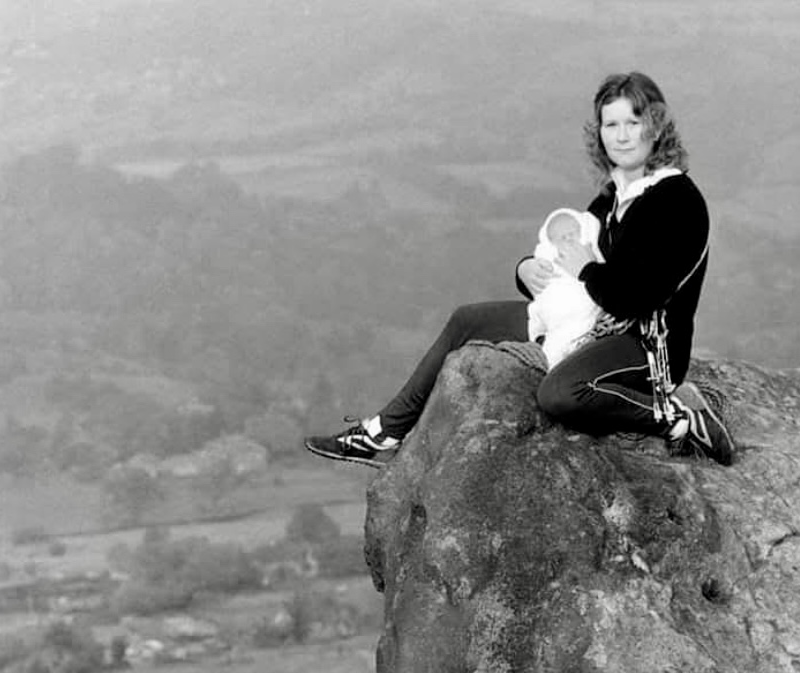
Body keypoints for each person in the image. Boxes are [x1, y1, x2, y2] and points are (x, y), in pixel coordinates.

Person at [304, 71, 734, 468]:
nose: (621, 136)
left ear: (656, 127)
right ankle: (384, 433)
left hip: (646, 347)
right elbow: (568, 262)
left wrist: (585, 268)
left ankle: (678, 417)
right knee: (469, 320)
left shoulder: (677, 201)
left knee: (560, 394)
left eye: (633, 123)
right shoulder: (616, 195)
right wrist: (527, 268)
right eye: (611, 125)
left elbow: (636, 296)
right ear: (599, 133)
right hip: (591, 323)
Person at [526, 207, 605, 367]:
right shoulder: (550, 260)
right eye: (562, 237)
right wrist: (524, 268)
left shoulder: (592, 250)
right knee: (553, 352)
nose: (569, 239)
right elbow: (541, 293)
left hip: (589, 321)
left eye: (573, 233)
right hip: (557, 323)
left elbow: (605, 278)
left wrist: (588, 267)